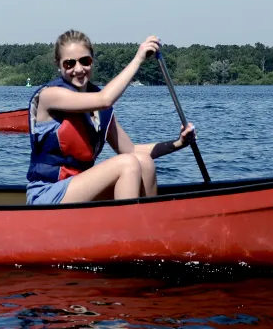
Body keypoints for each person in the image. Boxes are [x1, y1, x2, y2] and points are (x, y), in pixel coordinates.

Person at [25, 30, 196, 205]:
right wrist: (138, 59)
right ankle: (128, 227)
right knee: (127, 164)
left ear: (92, 61)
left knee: (144, 162)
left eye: (85, 61)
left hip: (78, 189)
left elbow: (132, 150)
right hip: (47, 194)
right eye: (69, 63)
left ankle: (147, 225)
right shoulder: (51, 96)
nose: (78, 69)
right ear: (58, 65)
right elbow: (105, 99)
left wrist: (178, 143)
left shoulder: (100, 110)